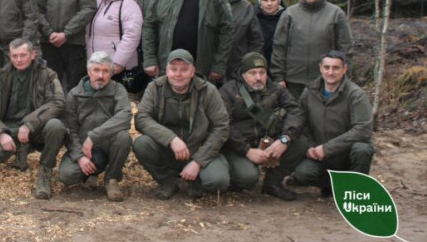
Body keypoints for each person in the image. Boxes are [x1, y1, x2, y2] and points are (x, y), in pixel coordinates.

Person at [133, 49, 230, 199]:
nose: (178, 74)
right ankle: (168, 181)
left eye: (184, 70)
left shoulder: (208, 90)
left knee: (218, 181)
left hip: (198, 149)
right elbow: (142, 119)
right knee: (142, 144)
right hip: (167, 149)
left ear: (193, 71)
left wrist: (198, 162)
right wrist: (171, 139)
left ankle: (195, 179)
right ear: (167, 71)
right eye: (174, 69)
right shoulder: (154, 88)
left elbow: (221, 127)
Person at [0, 38, 66, 199]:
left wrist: (29, 123)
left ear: (33, 55)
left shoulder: (47, 74)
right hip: (9, 127)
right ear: (10, 56)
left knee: (56, 126)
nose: (18, 60)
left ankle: (45, 171)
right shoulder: (0, 78)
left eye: (23, 55)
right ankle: (20, 147)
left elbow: (58, 102)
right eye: (14, 56)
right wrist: (0, 134)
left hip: (38, 126)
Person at [219, 52, 307, 201]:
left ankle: (272, 183)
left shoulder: (276, 89)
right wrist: (247, 150)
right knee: (247, 178)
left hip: (268, 140)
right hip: (239, 144)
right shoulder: (228, 91)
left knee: (300, 143)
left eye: (262, 72)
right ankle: (232, 178)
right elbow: (224, 124)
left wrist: (284, 139)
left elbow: (295, 111)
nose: (258, 77)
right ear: (243, 74)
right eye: (252, 73)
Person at [291, 51, 374, 197]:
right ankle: (334, 185)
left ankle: (356, 189)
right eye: (326, 67)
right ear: (320, 68)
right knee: (302, 174)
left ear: (344, 69)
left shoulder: (356, 95)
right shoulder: (309, 91)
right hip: (320, 155)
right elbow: (301, 123)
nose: (330, 72)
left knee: (362, 149)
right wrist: (310, 147)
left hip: (346, 154)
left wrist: (328, 148)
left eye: (336, 68)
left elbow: (363, 129)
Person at [58, 52, 132, 202]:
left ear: (111, 73)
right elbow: (70, 130)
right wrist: (79, 157)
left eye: (105, 71)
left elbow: (124, 116)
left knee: (123, 137)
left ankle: (111, 178)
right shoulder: (74, 95)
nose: (100, 75)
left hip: (109, 143)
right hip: (84, 148)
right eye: (96, 70)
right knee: (67, 175)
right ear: (88, 71)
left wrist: (94, 136)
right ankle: (92, 173)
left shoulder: (118, 90)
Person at [271, 0, 353, 100]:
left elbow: (346, 47)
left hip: (325, 81)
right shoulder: (289, 14)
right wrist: (278, 77)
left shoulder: (336, 14)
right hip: (293, 82)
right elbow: (279, 46)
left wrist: (344, 76)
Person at [86, 0, 143, 86]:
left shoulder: (128, 4)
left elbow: (132, 35)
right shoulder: (100, 3)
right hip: (98, 68)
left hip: (117, 69)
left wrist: (118, 62)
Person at [216, 0, 264, 79]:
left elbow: (256, 40)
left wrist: (250, 66)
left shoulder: (247, 8)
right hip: (212, 68)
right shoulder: (209, 4)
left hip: (238, 69)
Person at [255, 0, 285, 68]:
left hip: (281, 63)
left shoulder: (286, 17)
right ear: (260, 2)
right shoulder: (253, 18)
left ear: (278, 1)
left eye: (273, 0)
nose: (269, 3)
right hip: (258, 64)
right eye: (265, 0)